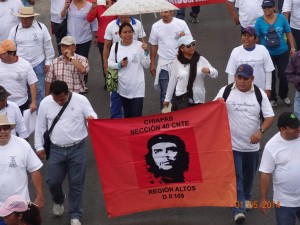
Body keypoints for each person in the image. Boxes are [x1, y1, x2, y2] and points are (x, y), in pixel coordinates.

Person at [215, 64, 275, 223]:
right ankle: (238, 209)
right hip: (232, 145)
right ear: (235, 77)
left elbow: (270, 117)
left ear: (252, 79)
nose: (242, 81)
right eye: (239, 77)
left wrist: (260, 132)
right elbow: (212, 110)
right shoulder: (226, 91)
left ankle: (246, 198)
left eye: (245, 78)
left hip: (252, 146)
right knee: (237, 176)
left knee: (249, 176)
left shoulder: (259, 94)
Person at [35, 80, 97, 225]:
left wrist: (91, 119)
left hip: (77, 148)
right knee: (52, 181)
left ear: (67, 92)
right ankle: (58, 200)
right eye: (56, 100)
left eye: (62, 99)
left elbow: (92, 117)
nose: (59, 102)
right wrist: (39, 147)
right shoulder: (45, 103)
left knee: (76, 183)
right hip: (56, 149)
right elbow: (40, 126)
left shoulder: (81, 100)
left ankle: (75, 214)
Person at [8, 6, 55, 108]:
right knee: (24, 91)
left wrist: (48, 61)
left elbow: (48, 45)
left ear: (32, 18)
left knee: (39, 91)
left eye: (27, 18)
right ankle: (28, 117)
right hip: (21, 66)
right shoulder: (14, 30)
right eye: (22, 18)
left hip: (38, 64)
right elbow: (11, 49)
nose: (24, 20)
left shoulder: (41, 28)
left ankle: (39, 116)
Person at [259, 112, 300, 225]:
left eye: (299, 125)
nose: (298, 129)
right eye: (294, 128)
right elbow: (265, 174)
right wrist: (263, 199)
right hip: (284, 202)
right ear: (282, 129)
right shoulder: (272, 146)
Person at [255, 0, 296, 107]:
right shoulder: (259, 21)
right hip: (267, 54)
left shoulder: (281, 18)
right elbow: (256, 38)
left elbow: (288, 32)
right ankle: (273, 98)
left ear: (274, 8)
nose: (266, 10)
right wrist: (257, 51)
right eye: (264, 8)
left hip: (282, 52)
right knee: (270, 77)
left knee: (284, 76)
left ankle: (284, 95)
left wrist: (292, 48)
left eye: (269, 7)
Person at [103, 15, 146, 118]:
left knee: (136, 115)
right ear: (120, 34)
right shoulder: (115, 45)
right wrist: (118, 64)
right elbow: (108, 53)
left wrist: (146, 52)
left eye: (130, 32)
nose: (128, 34)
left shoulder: (139, 44)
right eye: (124, 32)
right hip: (121, 84)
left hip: (138, 86)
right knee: (125, 114)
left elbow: (146, 64)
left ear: (133, 32)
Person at [149, 10, 192, 109]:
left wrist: (190, 60)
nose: (163, 14)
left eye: (166, 12)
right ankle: (165, 118)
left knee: (180, 91)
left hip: (180, 63)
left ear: (172, 12)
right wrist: (152, 63)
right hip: (164, 64)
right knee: (165, 94)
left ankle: (180, 118)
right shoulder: (156, 26)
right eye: (161, 12)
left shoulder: (181, 24)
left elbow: (190, 42)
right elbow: (154, 46)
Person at [0, 114, 44, 209]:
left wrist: (40, 196)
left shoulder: (22, 144)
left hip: (21, 205)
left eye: (6, 128)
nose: (3, 132)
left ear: (10, 129)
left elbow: (34, 170)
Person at [163, 35, 218, 110]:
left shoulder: (201, 59)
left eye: (193, 44)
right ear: (182, 48)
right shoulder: (176, 62)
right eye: (188, 46)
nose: (192, 47)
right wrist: (167, 99)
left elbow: (215, 74)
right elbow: (172, 81)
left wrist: (209, 70)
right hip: (182, 99)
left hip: (198, 98)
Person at [226, 26, 274, 98]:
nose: (246, 38)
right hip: (241, 91)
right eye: (244, 35)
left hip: (259, 90)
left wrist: (268, 89)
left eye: (249, 36)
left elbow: (268, 70)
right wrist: (231, 90)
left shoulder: (263, 50)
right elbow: (231, 72)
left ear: (255, 38)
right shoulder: (235, 51)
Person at [61, 0, 98, 85]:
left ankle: (83, 83)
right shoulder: (69, 4)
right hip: (70, 40)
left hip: (85, 39)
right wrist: (65, 8)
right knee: (70, 60)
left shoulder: (89, 5)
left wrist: (96, 36)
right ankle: (71, 82)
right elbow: (61, 17)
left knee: (83, 61)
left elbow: (94, 21)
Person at [0, 40, 37, 114]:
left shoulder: (25, 64)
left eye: (2, 54)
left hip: (21, 103)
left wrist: (34, 102)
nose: (0, 55)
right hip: (2, 104)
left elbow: (33, 83)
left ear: (11, 53)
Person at [86, 0, 117, 89]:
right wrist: (92, 8)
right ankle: (108, 80)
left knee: (115, 59)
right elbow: (89, 19)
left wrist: (112, 10)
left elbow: (121, 19)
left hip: (115, 38)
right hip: (102, 39)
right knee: (105, 60)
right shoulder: (98, 7)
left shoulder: (116, 6)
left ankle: (115, 80)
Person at [286, 50, 300, 118]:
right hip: (299, 94)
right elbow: (288, 74)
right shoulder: (296, 57)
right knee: (298, 120)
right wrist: (298, 80)